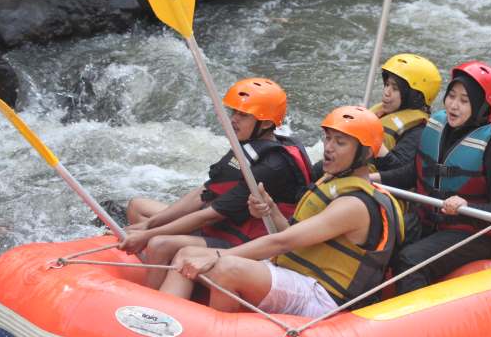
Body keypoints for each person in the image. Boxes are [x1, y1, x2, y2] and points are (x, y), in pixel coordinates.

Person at [160, 106, 404, 316]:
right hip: (298, 277)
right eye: (328, 138)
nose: (328, 148)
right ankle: (159, 323)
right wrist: (272, 210)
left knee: (227, 267)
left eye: (340, 143)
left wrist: (217, 256)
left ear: (365, 153)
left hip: (323, 298)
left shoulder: (354, 204)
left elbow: (283, 242)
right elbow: (294, 236)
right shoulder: (332, 183)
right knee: (186, 254)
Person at [120, 78, 312, 288]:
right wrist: (148, 225)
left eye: (244, 115)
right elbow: (204, 192)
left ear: (265, 123)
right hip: (229, 225)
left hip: (247, 241)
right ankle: (168, 274)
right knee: (138, 207)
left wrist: (148, 234)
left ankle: (154, 294)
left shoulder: (272, 166)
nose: (234, 119)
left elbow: (211, 215)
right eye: (234, 112)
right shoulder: (250, 145)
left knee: (159, 243)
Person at [379, 61, 491, 294]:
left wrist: (467, 206)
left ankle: (418, 316)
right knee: (379, 238)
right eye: (451, 96)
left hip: (471, 234)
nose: (453, 105)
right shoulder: (437, 125)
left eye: (464, 101)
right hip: (426, 220)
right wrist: (375, 178)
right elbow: (415, 172)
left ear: (482, 107)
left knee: (411, 260)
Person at [309, 53, 442, 182]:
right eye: (387, 85)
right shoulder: (381, 113)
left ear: (414, 96)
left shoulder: (418, 130)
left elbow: (399, 171)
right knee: (312, 172)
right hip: (346, 169)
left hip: (371, 185)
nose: (386, 92)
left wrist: (373, 140)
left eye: (395, 88)